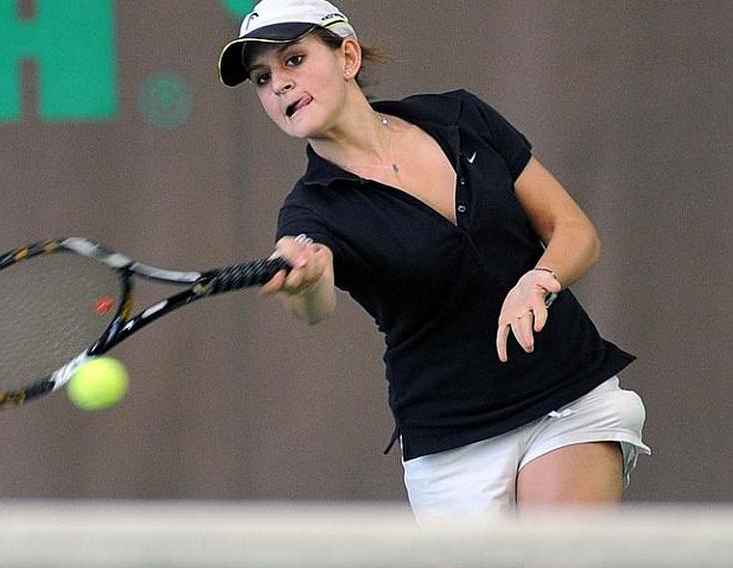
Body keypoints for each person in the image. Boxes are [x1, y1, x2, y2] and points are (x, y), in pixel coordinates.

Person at [217, 0, 650, 518]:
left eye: (293, 60)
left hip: (566, 391)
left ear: (348, 56)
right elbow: (314, 302)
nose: (278, 85)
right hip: (452, 438)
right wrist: (304, 280)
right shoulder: (311, 210)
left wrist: (538, 281)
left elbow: (574, 230)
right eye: (261, 78)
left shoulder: (459, 118)